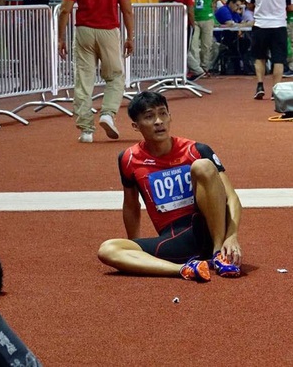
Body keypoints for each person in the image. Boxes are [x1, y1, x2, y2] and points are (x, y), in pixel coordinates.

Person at [97, 91, 243, 282]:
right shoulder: (128, 159)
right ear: (136, 125)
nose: (158, 121)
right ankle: (185, 269)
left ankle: (218, 255)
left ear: (170, 116)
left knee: (203, 166)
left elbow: (231, 197)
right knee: (107, 249)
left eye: (163, 113)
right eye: (149, 116)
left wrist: (231, 237)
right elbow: (131, 206)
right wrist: (134, 244)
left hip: (208, 229)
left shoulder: (196, 150)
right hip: (174, 241)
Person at [57, 0, 134, 144]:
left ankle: (86, 130)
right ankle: (108, 113)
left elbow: (65, 10)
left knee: (83, 80)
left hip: (83, 30)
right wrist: (130, 37)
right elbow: (127, 10)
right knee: (116, 76)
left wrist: (60, 38)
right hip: (109, 30)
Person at [246, 0, 293, 100]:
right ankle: (276, 90)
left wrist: (260, 8)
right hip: (278, 25)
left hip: (261, 25)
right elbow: (290, 6)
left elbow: (249, 4)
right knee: (278, 59)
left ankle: (260, 85)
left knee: (259, 57)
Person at [188, 0, 228, 81]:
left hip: (207, 17)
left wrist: (215, 0)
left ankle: (205, 68)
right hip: (195, 17)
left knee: (206, 45)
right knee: (194, 45)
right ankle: (196, 69)